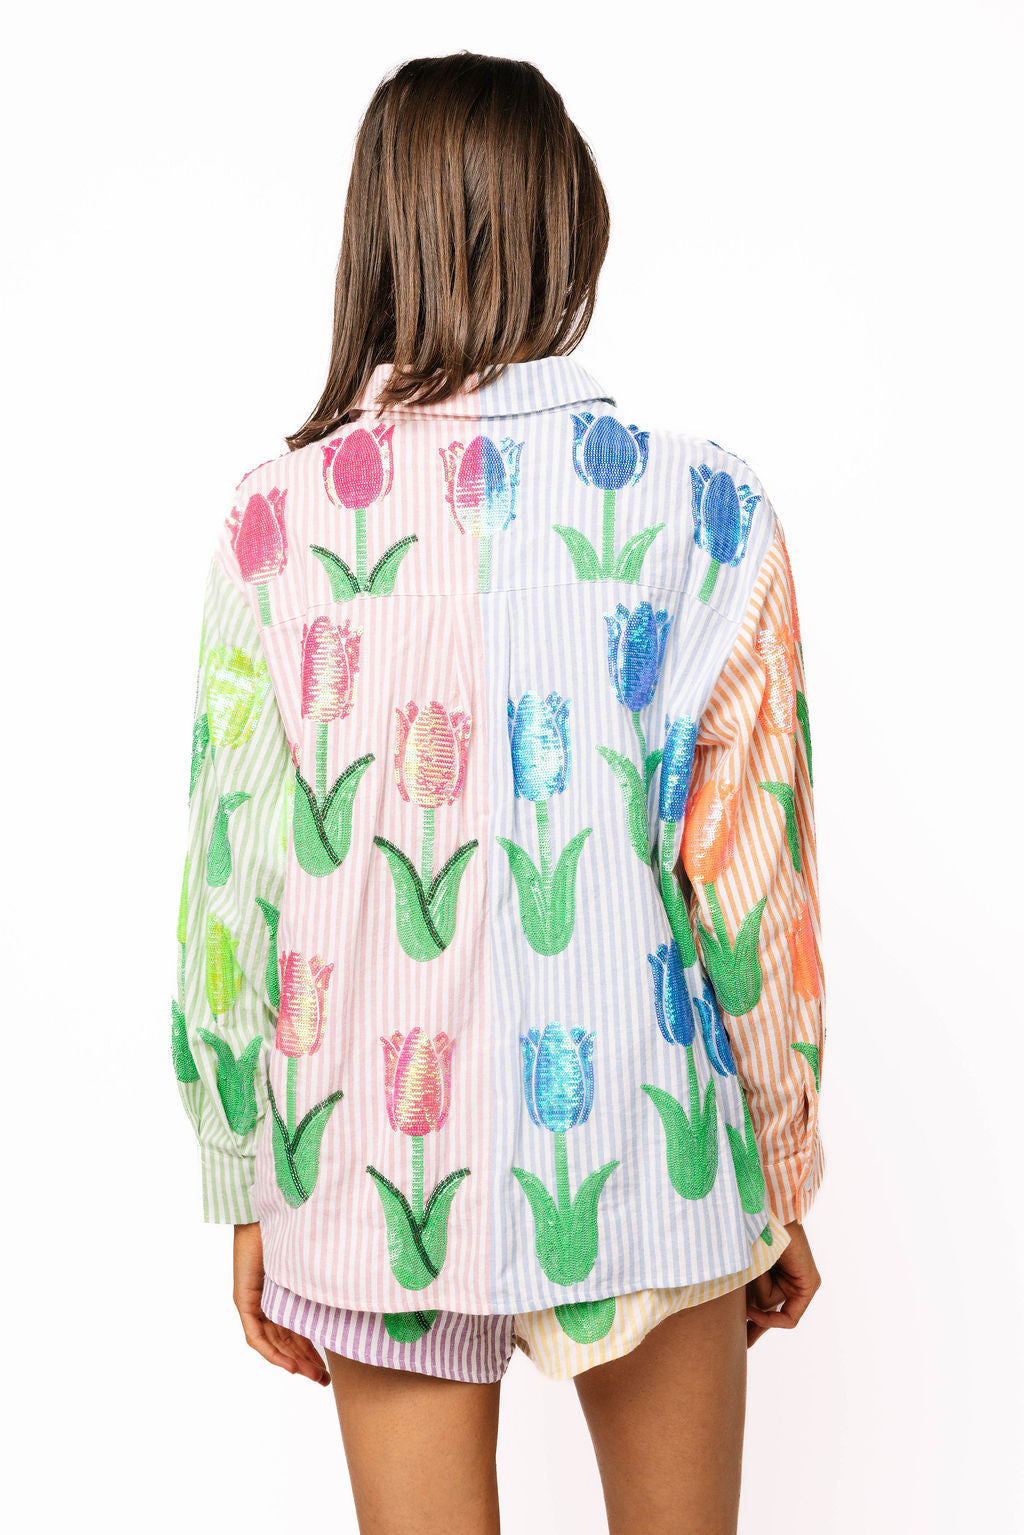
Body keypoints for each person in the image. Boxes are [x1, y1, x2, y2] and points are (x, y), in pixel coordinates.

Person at [170, 50, 826, 1535]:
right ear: (574, 228)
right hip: (649, 1148)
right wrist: (778, 1167)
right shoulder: (709, 510)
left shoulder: (273, 526)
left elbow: (234, 885)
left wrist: (247, 1173)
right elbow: (754, 885)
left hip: (365, 1161)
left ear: (376, 238)